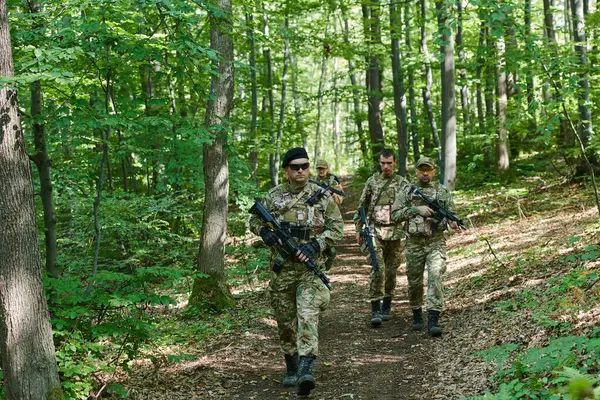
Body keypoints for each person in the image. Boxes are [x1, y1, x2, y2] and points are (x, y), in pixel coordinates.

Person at [249, 147, 343, 396]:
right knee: (286, 322)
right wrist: (264, 232)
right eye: (295, 167)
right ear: (287, 171)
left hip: (310, 270)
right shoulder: (273, 196)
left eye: (305, 166)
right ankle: (291, 366)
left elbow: (338, 227)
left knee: (307, 314)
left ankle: (305, 369)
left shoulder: (321, 196)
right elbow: (254, 220)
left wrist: (316, 244)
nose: (301, 171)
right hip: (282, 270)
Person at [391, 156, 462, 337]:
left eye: (428, 170)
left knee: (435, 277)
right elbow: (395, 214)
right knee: (414, 282)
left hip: (435, 241)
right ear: (416, 172)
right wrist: (416, 210)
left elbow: (451, 215)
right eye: (421, 170)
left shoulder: (442, 192)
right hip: (414, 242)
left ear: (433, 172)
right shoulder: (407, 191)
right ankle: (416, 314)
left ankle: (433, 319)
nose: (424, 173)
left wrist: (452, 223)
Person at [353, 149, 409, 327]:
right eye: (383, 163)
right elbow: (361, 206)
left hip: (395, 233)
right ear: (379, 162)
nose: (385, 166)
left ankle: (387, 305)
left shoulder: (402, 183)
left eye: (389, 163)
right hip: (374, 231)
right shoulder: (372, 182)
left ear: (394, 163)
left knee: (391, 271)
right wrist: (358, 229)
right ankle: (375, 308)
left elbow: (411, 205)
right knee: (378, 268)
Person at [314, 159, 344, 271]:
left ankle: (326, 267)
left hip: (330, 215)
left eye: (323, 168)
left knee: (330, 249)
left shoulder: (334, 182)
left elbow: (340, 200)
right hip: (316, 216)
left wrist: (331, 195)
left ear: (327, 169)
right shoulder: (312, 181)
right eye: (319, 168)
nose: (321, 171)